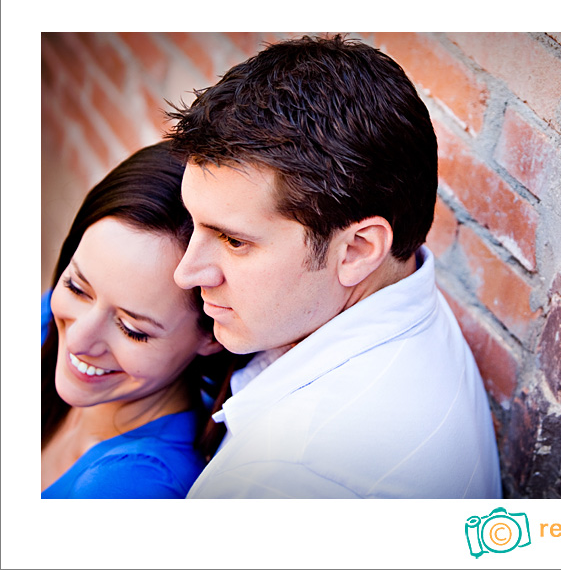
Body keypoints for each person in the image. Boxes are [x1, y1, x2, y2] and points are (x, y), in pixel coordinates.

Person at [166, 34, 503, 498]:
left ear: (358, 250)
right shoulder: (402, 300)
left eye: (233, 240)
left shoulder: (281, 479)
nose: (187, 273)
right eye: (194, 223)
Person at [41, 141, 246, 498]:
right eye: (77, 288)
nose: (76, 340)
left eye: (132, 330)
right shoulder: (51, 318)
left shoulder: (131, 488)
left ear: (213, 333)